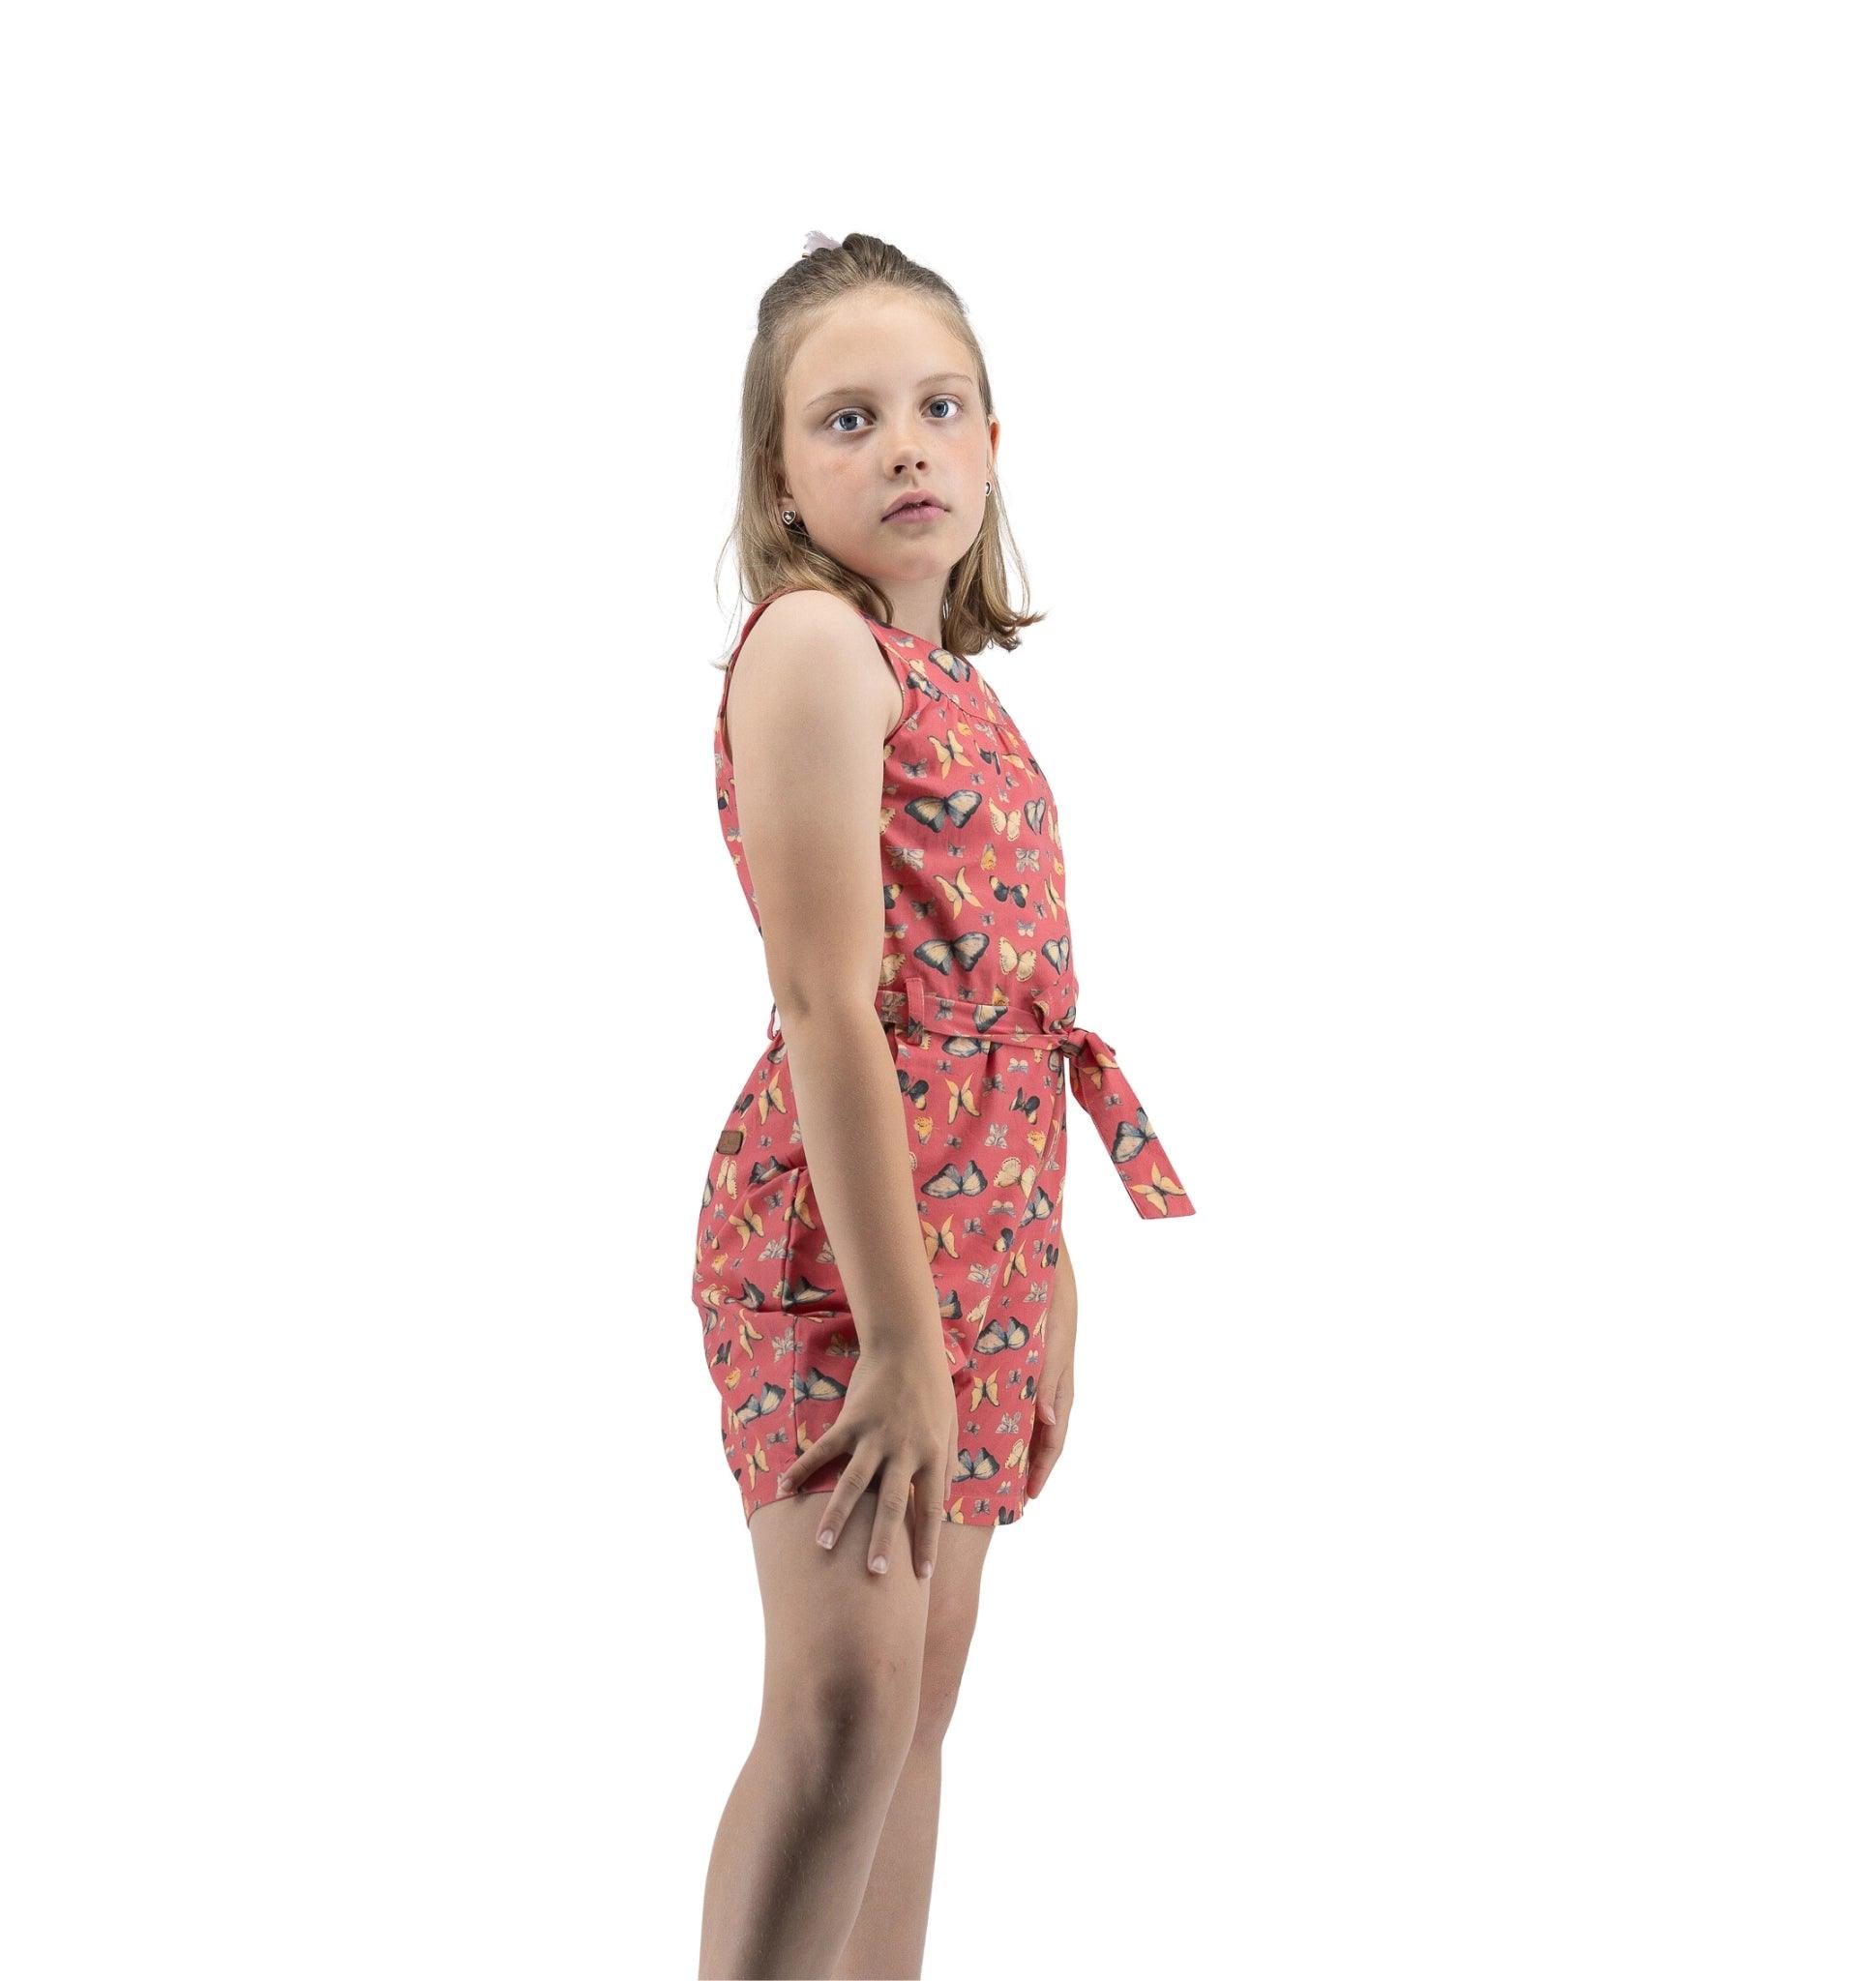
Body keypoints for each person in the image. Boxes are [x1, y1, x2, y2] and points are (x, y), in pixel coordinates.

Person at [691, 229, 1197, 1979]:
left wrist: (1042, 1278)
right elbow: (832, 1002)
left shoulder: (967, 695)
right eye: (847, 420)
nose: (903, 445)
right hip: (840, 1260)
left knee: (915, 1715)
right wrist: (905, 1340)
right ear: (781, 472)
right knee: (840, 1702)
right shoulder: (811, 651)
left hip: (977, 1250)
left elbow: (1008, 1030)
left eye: (938, 407)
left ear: (991, 447)